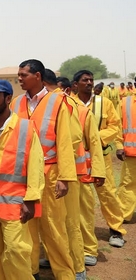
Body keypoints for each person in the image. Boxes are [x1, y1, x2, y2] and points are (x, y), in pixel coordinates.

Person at [0, 79, 44, 280]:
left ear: (8, 98)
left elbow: (36, 166)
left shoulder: (26, 128)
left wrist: (31, 198)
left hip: (16, 205)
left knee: (16, 253)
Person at [11, 59, 76, 280]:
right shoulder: (16, 103)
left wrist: (65, 177)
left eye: (23, 75)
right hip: (23, 176)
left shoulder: (58, 101)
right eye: (18, 75)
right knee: (26, 227)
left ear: (37, 76)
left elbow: (65, 141)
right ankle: (31, 272)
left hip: (50, 173)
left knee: (54, 228)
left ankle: (65, 274)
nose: (19, 79)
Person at [72, 70, 127, 252]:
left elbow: (114, 125)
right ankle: (80, 234)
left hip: (100, 157)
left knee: (107, 193)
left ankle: (116, 230)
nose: (89, 83)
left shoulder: (105, 103)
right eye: (84, 80)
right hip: (77, 160)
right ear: (75, 84)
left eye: (91, 80)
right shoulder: (70, 103)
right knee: (79, 198)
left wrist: (95, 138)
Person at [41, 69, 88, 278]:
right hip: (53, 172)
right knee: (52, 223)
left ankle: (78, 269)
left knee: (69, 223)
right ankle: (56, 260)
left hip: (68, 174)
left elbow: (75, 138)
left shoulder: (67, 103)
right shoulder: (42, 104)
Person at [57, 76, 106, 267]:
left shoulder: (83, 112)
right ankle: (64, 252)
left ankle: (89, 249)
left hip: (82, 173)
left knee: (84, 215)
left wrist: (99, 171)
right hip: (61, 174)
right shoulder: (52, 112)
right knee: (62, 217)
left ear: (67, 91)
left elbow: (94, 143)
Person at [115, 92, 136, 223]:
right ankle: (124, 214)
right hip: (131, 152)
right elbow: (117, 125)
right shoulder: (125, 103)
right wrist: (118, 145)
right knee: (128, 184)